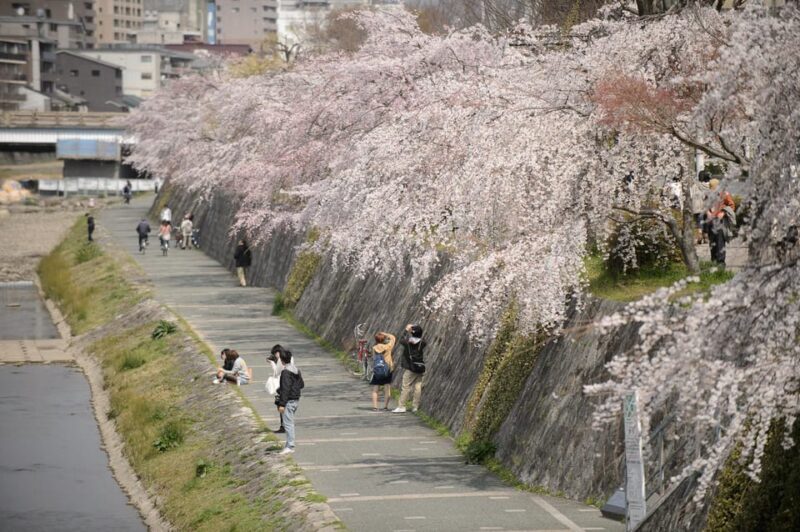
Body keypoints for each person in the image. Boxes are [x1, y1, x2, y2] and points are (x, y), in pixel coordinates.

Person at [393, 324, 426, 413]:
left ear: (412, 333)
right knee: (417, 386)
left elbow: (401, 340)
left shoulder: (408, 342)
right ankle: (415, 406)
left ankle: (401, 406)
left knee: (406, 386)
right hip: (420, 366)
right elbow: (420, 337)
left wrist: (406, 330)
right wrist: (413, 331)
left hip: (411, 367)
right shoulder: (422, 343)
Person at [276, 348, 304, 454]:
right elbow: (301, 384)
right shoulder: (296, 370)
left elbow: (285, 389)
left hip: (289, 400)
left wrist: (281, 404)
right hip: (296, 399)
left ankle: (290, 446)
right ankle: (289, 444)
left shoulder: (286, 372)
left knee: (288, 423)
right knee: (290, 422)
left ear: (282, 360)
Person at [706, 179, 736, 267]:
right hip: (711, 220)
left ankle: (721, 262)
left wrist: (723, 213)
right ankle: (713, 260)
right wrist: (707, 212)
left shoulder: (725, 194)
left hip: (720, 220)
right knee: (712, 241)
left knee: (720, 241)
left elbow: (732, 206)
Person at [370, 332, 396, 411]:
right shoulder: (388, 346)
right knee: (387, 388)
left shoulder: (374, 348)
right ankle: (385, 406)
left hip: (378, 369)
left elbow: (374, 358)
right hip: (387, 369)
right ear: (384, 339)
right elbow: (393, 337)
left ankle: (375, 407)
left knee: (375, 389)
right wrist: (384, 333)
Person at [268, 345, 288, 433]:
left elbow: (276, 372)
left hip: (281, 386)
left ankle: (283, 426)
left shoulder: (281, 360)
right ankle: (285, 425)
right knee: (283, 406)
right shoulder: (288, 358)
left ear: (278, 353)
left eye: (274, 354)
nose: (274, 356)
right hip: (286, 385)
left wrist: (272, 363)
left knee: (280, 405)